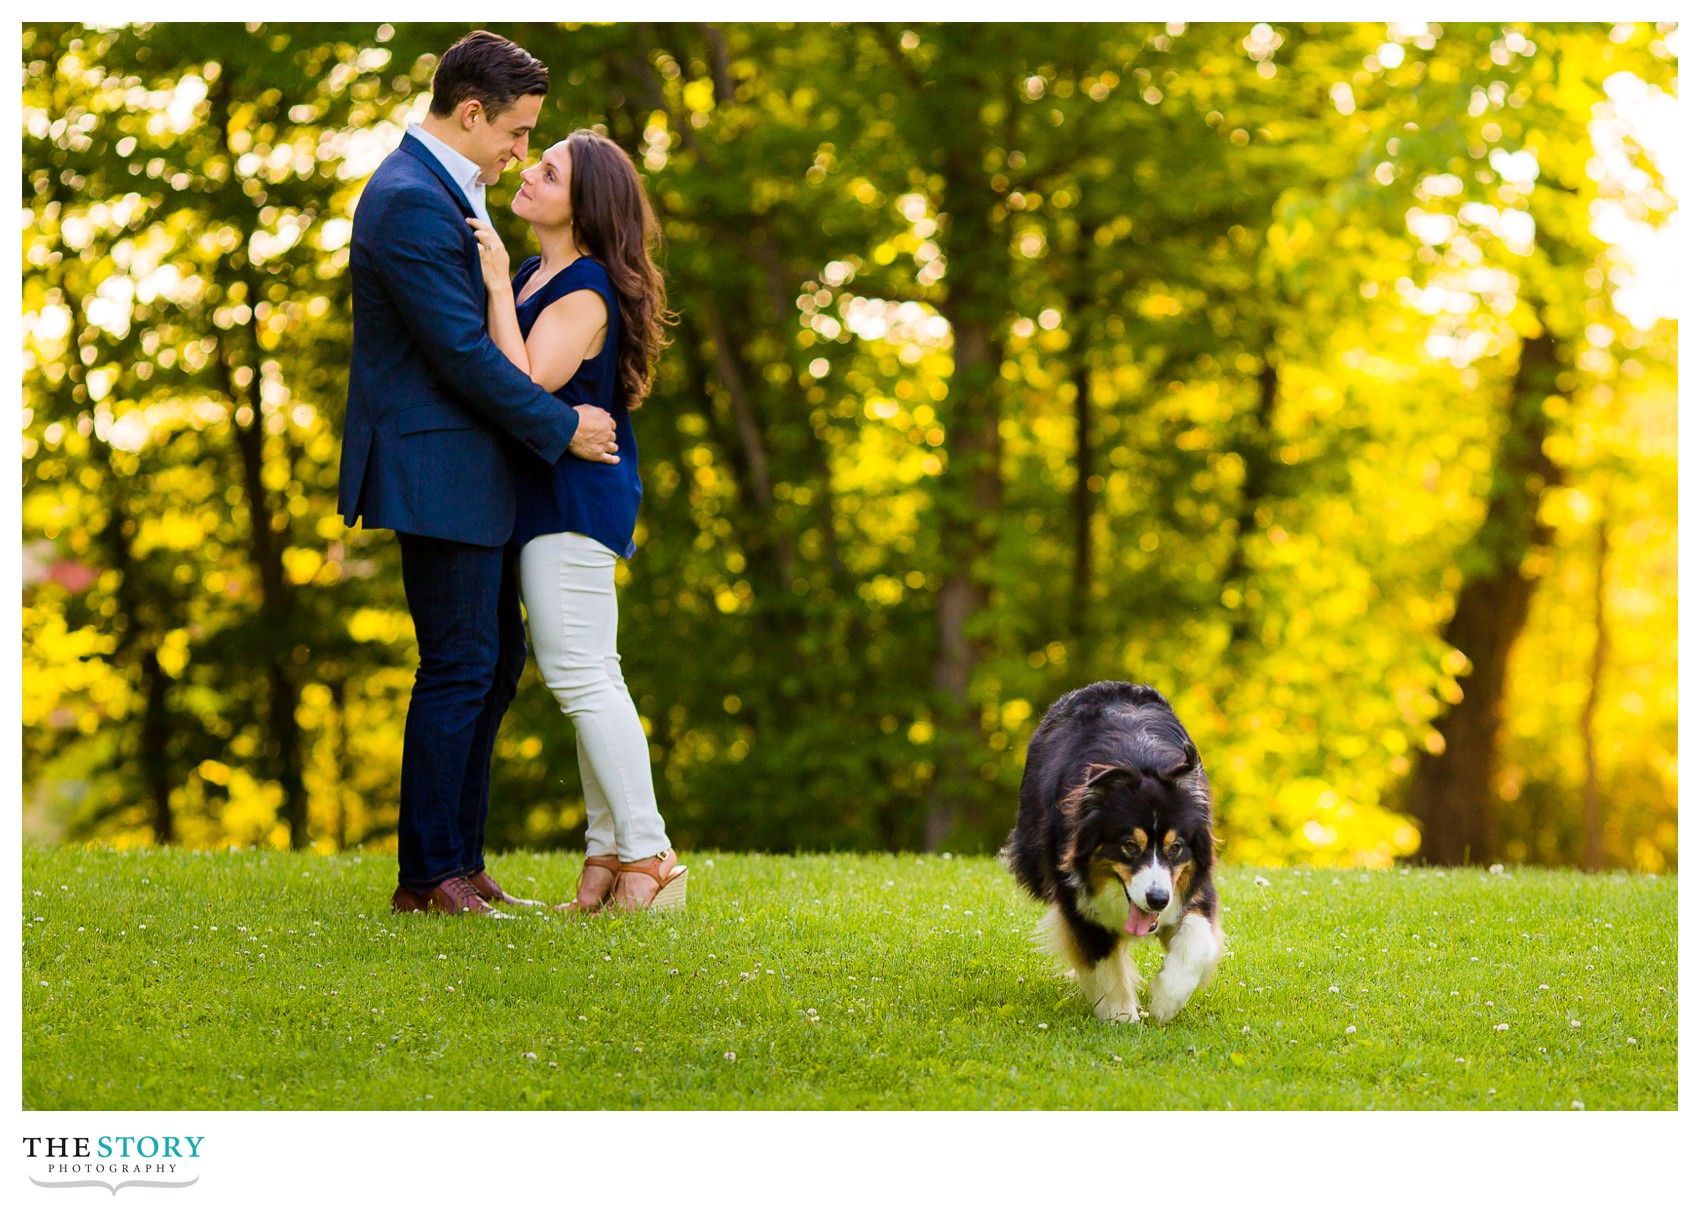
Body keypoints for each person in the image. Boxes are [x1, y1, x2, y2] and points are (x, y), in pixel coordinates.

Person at [338, 31, 621, 917]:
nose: (522, 152)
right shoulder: (409, 200)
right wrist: (562, 426)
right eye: (519, 132)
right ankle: (428, 878)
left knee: (489, 668)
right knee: (459, 666)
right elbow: (460, 354)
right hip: (440, 466)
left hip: (470, 467)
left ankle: (461, 861)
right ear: (471, 114)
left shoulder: (438, 188)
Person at [467, 129, 684, 912]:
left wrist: (495, 285)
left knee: (581, 675)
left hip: (572, 501)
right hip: (546, 498)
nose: (529, 171)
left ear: (583, 206)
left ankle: (651, 856)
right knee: (593, 672)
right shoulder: (538, 272)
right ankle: (606, 861)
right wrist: (507, 279)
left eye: (549, 170)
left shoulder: (583, 285)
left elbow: (522, 377)